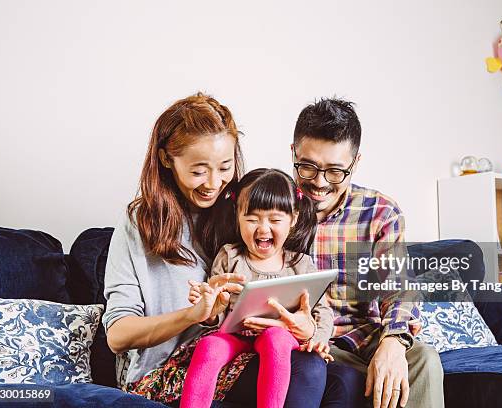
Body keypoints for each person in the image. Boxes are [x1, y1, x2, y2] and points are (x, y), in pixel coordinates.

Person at [102, 93, 327, 407]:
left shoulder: (243, 211)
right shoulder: (140, 222)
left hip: (241, 353)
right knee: (307, 372)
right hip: (167, 370)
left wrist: (306, 326)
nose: (214, 182)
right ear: (167, 159)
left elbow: (292, 284)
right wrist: (194, 314)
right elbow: (117, 336)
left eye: (225, 167)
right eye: (198, 171)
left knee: (335, 375)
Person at [246, 98, 445, 408]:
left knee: (423, 359)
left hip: (363, 338)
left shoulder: (380, 212)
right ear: (293, 153)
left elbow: (399, 286)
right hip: (301, 342)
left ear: (356, 162)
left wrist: (393, 342)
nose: (320, 184)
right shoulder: (271, 211)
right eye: (308, 167)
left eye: (336, 172)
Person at [181, 168, 334, 408]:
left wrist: (317, 338)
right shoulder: (229, 256)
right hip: (235, 335)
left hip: (281, 337)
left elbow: (322, 311)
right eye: (252, 219)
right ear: (238, 217)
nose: (263, 229)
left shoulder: (301, 264)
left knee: (276, 338)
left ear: (293, 219)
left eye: (274, 220)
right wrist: (210, 308)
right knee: (209, 345)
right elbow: (218, 314)